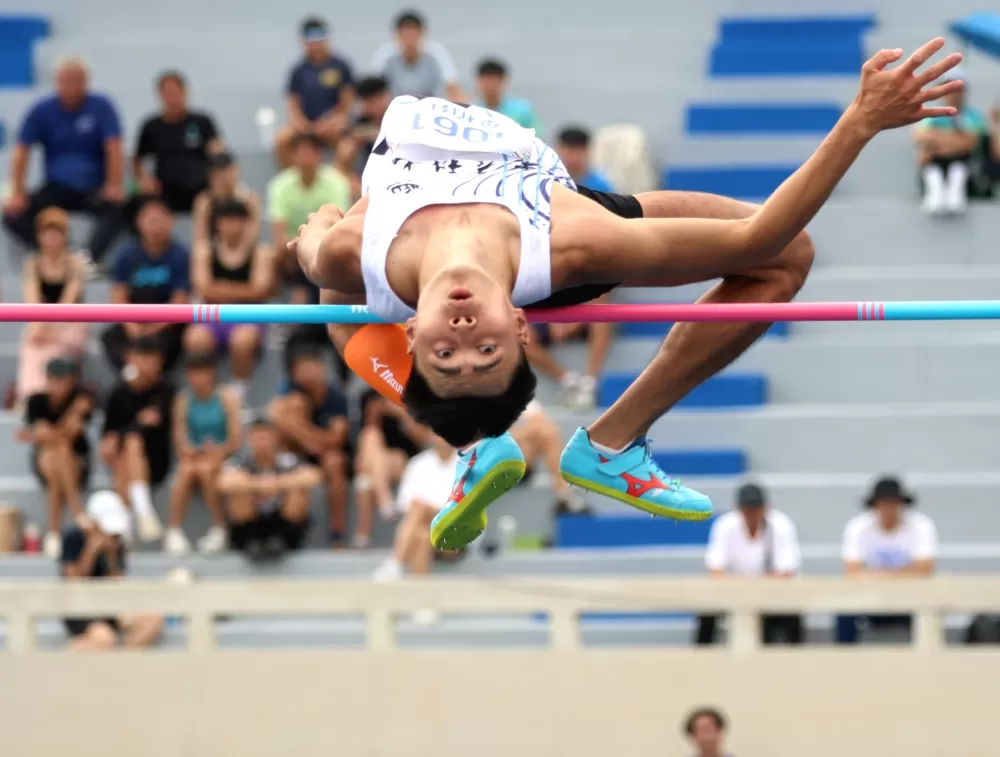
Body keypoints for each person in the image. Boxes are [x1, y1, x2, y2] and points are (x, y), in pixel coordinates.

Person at [294, 40, 961, 550]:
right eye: (484, 351)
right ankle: (586, 442)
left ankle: (518, 444)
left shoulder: (356, 251)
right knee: (787, 257)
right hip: (538, 216)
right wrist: (859, 122)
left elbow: (315, 237)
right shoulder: (577, 240)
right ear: (519, 325)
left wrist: (321, 226)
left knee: (335, 300)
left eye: (449, 353)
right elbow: (762, 236)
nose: (465, 335)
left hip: (462, 224)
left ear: (412, 332)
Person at [3, 56, 126, 264]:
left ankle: (88, 258)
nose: (71, 86)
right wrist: (17, 191)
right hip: (56, 188)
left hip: (93, 188)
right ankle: (56, 253)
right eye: (65, 80)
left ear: (86, 81)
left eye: (76, 80)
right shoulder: (42, 110)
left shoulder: (101, 106)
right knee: (13, 215)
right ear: (56, 81)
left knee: (120, 209)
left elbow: (114, 147)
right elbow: (22, 150)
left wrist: (114, 184)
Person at [186, 198, 275, 398]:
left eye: (237, 220)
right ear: (218, 223)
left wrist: (220, 289)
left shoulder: (261, 252)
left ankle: (239, 388)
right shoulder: (205, 251)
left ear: (246, 223)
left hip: (248, 316)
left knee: (243, 340)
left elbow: (260, 290)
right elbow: (203, 288)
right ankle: (207, 388)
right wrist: (243, 290)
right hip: (213, 317)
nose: (232, 226)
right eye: (227, 220)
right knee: (195, 338)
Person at [697, 482, 802, 645]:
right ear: (739, 508)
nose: (752, 514)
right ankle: (701, 660)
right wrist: (741, 588)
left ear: (766, 507)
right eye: (747, 509)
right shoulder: (725, 526)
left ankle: (796, 661)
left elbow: (786, 572)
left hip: (772, 593)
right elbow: (715, 569)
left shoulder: (781, 526)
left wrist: (756, 588)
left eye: (756, 508)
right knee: (706, 609)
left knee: (792, 610)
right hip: (733, 591)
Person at [837, 476, 937, 644]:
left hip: (910, 597)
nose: (888, 508)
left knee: (929, 610)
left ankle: (927, 663)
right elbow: (852, 572)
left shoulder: (921, 526)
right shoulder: (857, 527)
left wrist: (877, 575)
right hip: (870, 596)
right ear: (875, 505)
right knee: (844, 609)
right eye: (884, 503)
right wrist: (903, 574)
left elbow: (925, 569)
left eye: (893, 503)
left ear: (902, 504)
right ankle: (845, 662)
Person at [267, 344, 350, 545]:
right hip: (297, 454)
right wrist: (310, 439)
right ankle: (276, 531)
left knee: (335, 462)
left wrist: (300, 430)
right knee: (292, 408)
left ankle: (337, 532)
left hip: (326, 456)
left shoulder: (335, 397)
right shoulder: (290, 393)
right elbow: (277, 422)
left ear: (321, 367)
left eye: (309, 366)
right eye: (300, 368)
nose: (305, 373)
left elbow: (335, 439)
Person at [60, 490, 163, 650]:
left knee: (152, 619)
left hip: (108, 604)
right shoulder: (74, 537)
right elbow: (73, 583)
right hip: (80, 608)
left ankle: (125, 663)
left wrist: (111, 556)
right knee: (103, 637)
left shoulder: (117, 543)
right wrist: (91, 551)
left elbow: (116, 580)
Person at [165, 352, 242, 555]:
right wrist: (190, 449)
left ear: (212, 374)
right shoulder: (183, 399)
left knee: (207, 470)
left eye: (201, 373)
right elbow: (180, 438)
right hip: (195, 457)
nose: (197, 379)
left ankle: (219, 528)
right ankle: (174, 530)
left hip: (224, 457)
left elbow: (235, 439)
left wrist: (219, 451)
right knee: (186, 471)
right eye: (192, 374)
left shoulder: (227, 397)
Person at [102, 195, 190, 374]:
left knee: (176, 340)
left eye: (159, 219)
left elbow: (179, 302)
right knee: (110, 337)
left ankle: (154, 379)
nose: (154, 225)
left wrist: (152, 328)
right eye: (150, 219)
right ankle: (131, 373)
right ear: (138, 222)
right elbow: (119, 295)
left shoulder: (180, 255)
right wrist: (132, 326)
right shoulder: (126, 253)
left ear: (170, 221)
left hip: (165, 322)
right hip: (134, 318)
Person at [100, 336, 175, 542]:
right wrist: (118, 437)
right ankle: (142, 514)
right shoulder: (118, 393)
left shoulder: (166, 392)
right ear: (130, 358)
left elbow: (156, 425)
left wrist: (122, 434)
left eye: (152, 358)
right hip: (124, 463)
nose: (147, 364)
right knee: (124, 455)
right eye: (142, 357)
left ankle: (129, 524)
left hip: (157, 461)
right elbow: (108, 438)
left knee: (132, 443)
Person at [18, 358, 95, 558]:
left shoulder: (82, 397)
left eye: (65, 379)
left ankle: (53, 532)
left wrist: (37, 436)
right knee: (57, 451)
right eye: (56, 379)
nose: (60, 384)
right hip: (44, 461)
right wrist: (73, 412)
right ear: (48, 380)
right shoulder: (37, 401)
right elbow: (46, 434)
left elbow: (70, 433)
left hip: (77, 462)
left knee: (59, 459)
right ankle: (77, 509)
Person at [218, 417, 321, 559]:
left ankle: (280, 539)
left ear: (275, 439)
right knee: (238, 493)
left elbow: (313, 476)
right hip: (251, 523)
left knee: (298, 491)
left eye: (265, 438)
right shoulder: (240, 461)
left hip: (281, 523)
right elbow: (224, 482)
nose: (262, 443)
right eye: (258, 438)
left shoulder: (288, 460)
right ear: (250, 440)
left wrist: (277, 483)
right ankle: (251, 540)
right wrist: (258, 485)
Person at [268, 132, 352, 306]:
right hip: (293, 253)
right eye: (300, 151)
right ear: (292, 155)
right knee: (274, 256)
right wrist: (304, 244)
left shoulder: (337, 182)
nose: (305, 157)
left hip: (326, 248)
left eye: (310, 151)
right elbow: (279, 237)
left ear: (319, 154)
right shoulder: (279, 186)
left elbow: (341, 228)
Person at [16, 207, 88, 404]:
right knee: (31, 345)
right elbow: (32, 300)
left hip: (70, 323)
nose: (52, 238)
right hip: (41, 322)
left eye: (57, 233)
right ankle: (30, 399)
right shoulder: (32, 263)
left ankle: (51, 399)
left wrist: (51, 329)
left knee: (52, 347)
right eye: (47, 233)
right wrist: (39, 327)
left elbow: (68, 301)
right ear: (39, 236)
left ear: (65, 236)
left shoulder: (75, 264)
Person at [133, 70, 223, 213]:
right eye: (167, 93)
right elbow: (138, 160)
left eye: (175, 92)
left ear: (185, 91)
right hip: (164, 193)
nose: (172, 98)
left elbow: (218, 154)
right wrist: (144, 180)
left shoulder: (202, 122)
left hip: (201, 192)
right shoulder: (151, 126)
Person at [276, 17, 355, 168]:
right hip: (305, 125)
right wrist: (303, 125)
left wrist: (333, 121)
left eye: (320, 40)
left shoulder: (341, 66)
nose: (316, 45)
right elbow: (292, 104)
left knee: (346, 146)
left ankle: (338, 179)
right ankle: (295, 179)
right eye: (311, 41)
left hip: (332, 125)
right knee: (281, 139)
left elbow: (347, 103)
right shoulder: (298, 70)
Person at [353, 390, 429, 547]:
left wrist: (400, 413)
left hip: (403, 462)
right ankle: (385, 503)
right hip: (373, 464)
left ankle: (363, 534)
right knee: (365, 478)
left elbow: (423, 439)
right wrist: (373, 415)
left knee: (368, 478)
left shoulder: (406, 400)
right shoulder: (368, 397)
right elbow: (361, 455)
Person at [371, 11, 464, 101]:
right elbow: (372, 89)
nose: (408, 39)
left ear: (422, 33)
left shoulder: (437, 53)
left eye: (412, 34)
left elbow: (452, 87)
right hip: (395, 109)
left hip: (431, 109)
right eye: (405, 34)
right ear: (397, 34)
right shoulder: (385, 55)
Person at [191, 151, 260, 249]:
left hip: (241, 252)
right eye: (217, 174)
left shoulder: (249, 199)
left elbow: (252, 237)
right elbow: (199, 240)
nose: (223, 178)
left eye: (226, 172)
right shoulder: (204, 202)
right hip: (213, 253)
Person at [474, 59, 540, 132]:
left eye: (495, 81)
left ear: (504, 81)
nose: (491, 86)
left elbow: (537, 138)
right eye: (487, 80)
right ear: (478, 81)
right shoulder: (472, 111)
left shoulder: (522, 110)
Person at [351, 76, 392, 176]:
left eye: (371, 101)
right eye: (365, 101)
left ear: (384, 97)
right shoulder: (361, 121)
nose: (367, 106)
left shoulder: (397, 117)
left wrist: (370, 134)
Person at [556, 126, 614, 192]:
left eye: (577, 153)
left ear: (587, 151)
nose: (573, 159)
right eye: (569, 153)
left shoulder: (600, 186)